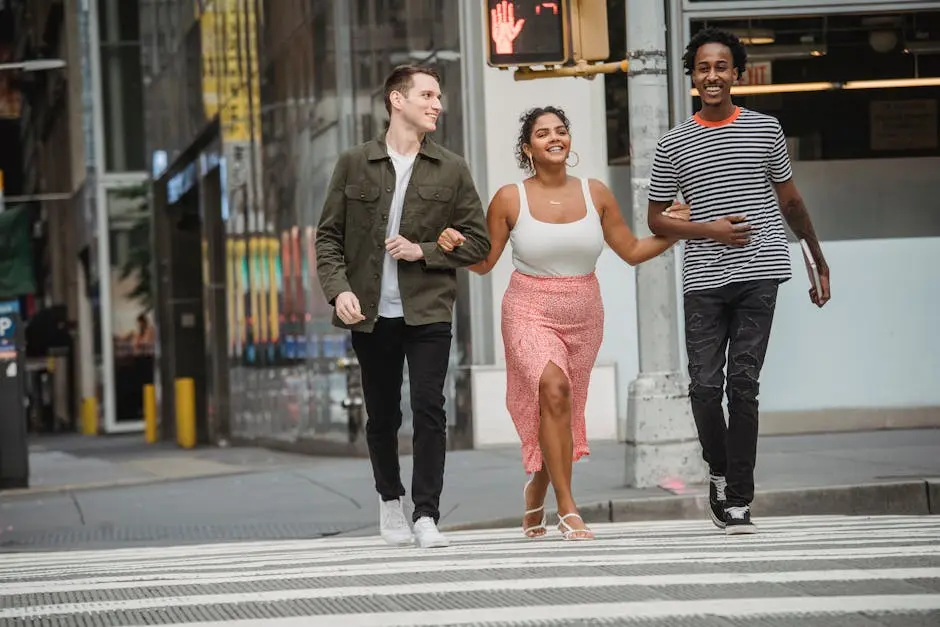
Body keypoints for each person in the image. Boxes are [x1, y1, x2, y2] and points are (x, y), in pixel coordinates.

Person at [438, 107, 688, 540]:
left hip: (584, 313)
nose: (554, 138)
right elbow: (484, 263)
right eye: (542, 133)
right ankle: (567, 508)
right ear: (527, 148)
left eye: (560, 130)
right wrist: (455, 246)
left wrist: (675, 231)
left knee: (561, 409)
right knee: (554, 388)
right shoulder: (509, 198)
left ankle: (537, 487)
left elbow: (631, 251)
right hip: (528, 308)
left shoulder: (596, 193)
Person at [647, 28, 831, 535]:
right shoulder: (672, 143)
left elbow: (790, 200)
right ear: (692, 75)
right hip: (704, 277)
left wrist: (815, 255)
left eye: (721, 67)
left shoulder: (765, 129)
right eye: (703, 67)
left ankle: (739, 500)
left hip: (760, 271)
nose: (712, 76)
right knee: (705, 387)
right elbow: (656, 220)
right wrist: (710, 230)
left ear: (737, 74)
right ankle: (720, 470)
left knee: (743, 385)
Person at [315, 65, 490, 548]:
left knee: (429, 407)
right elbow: (328, 237)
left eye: (439, 96)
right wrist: (339, 290)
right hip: (370, 313)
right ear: (397, 99)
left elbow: (479, 243)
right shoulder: (354, 163)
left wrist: (424, 250)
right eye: (428, 95)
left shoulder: (451, 168)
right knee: (383, 414)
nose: (438, 105)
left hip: (427, 308)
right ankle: (390, 499)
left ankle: (427, 513)